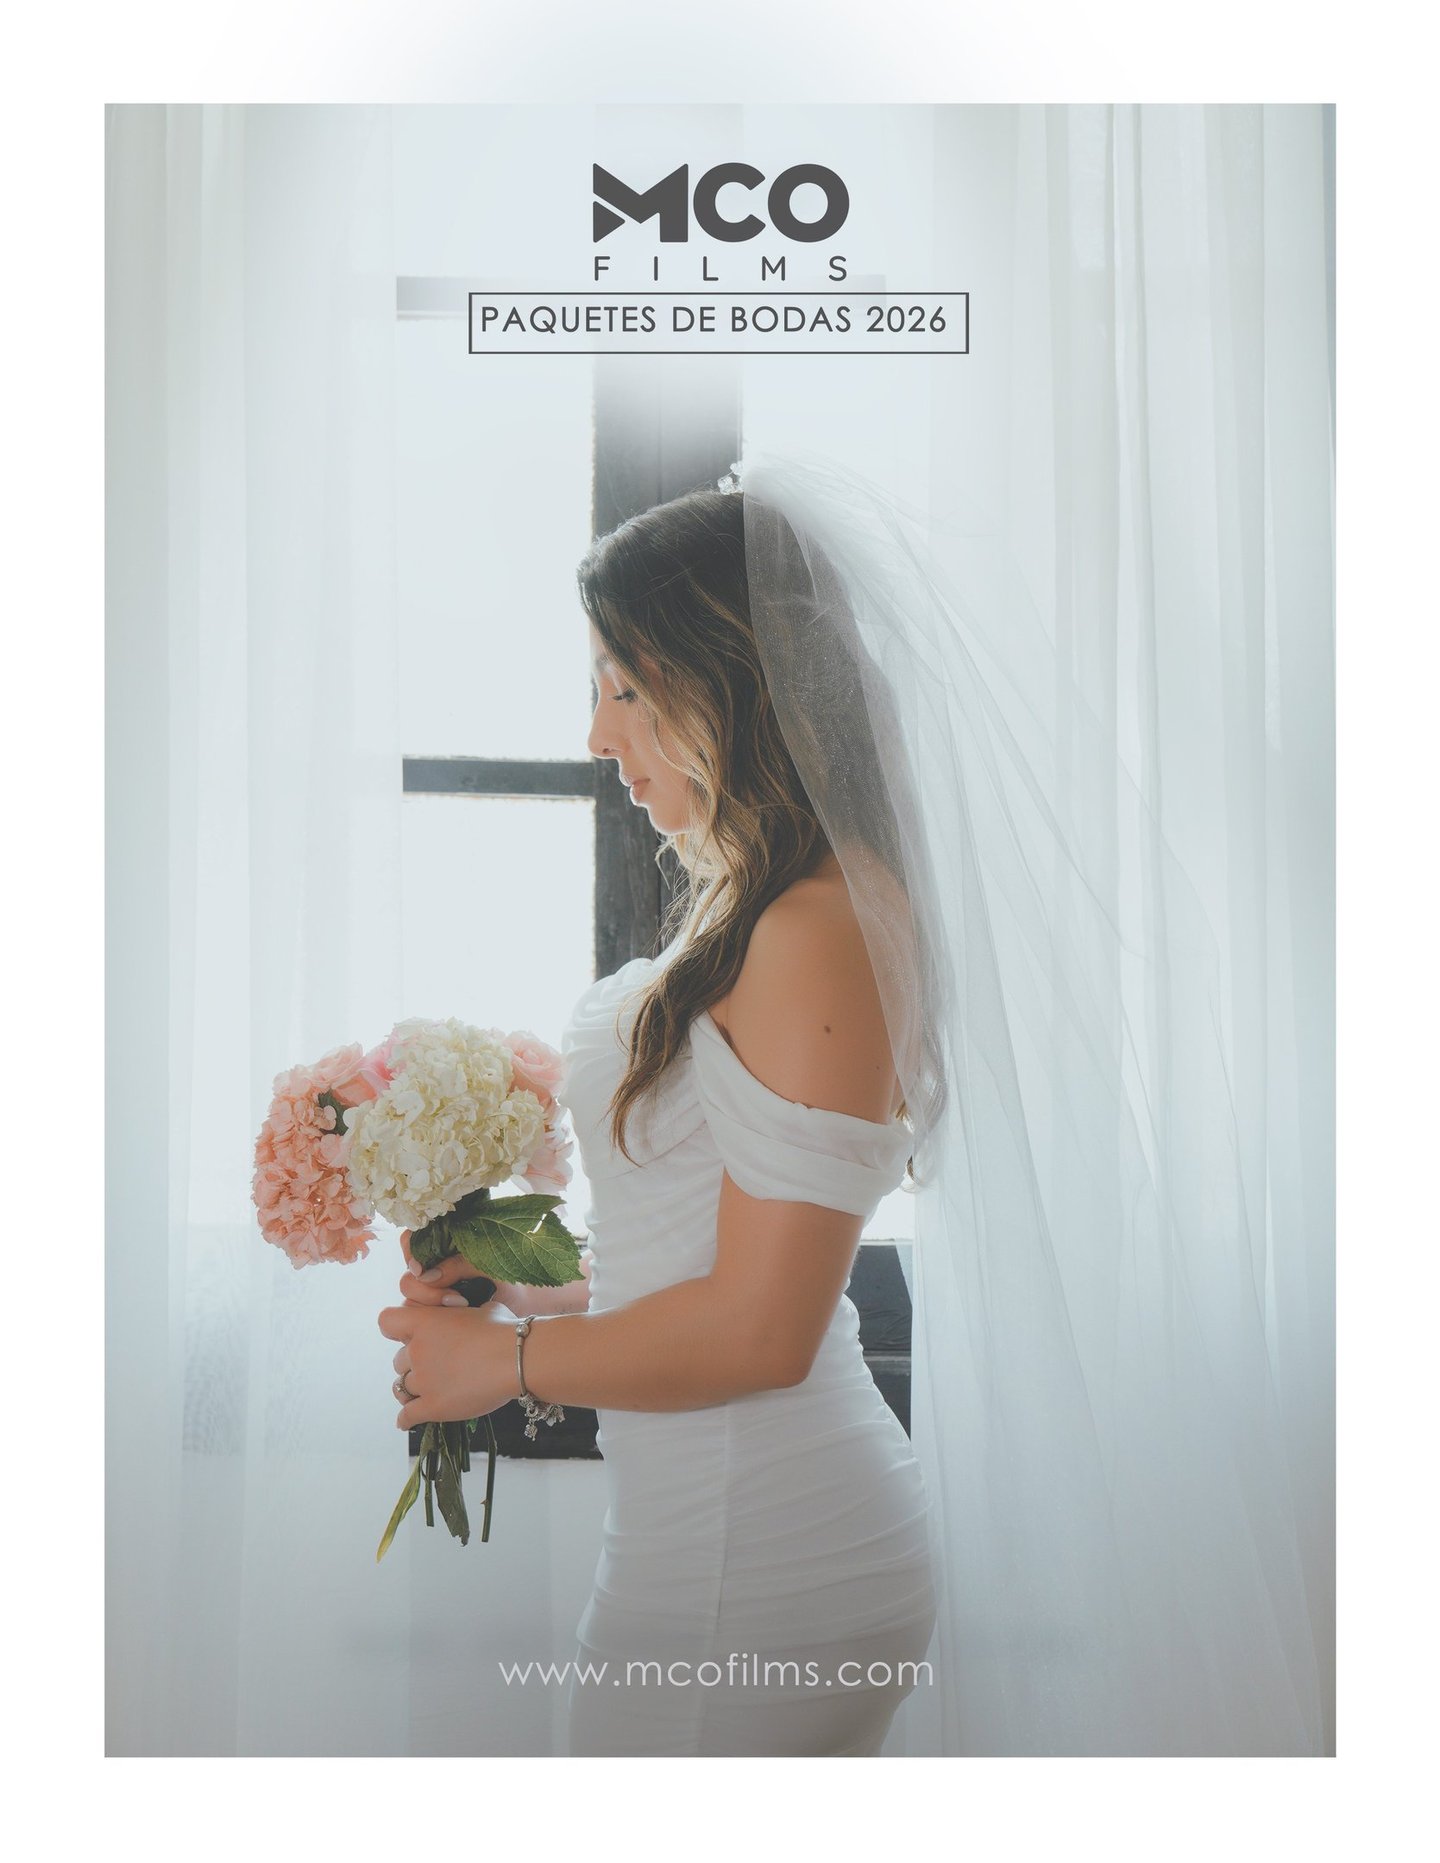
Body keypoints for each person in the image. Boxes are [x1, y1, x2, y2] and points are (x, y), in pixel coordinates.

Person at [377, 481, 938, 1758]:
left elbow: (764, 1329)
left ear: (728, 678)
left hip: (758, 1560)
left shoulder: (817, 925)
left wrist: (505, 1367)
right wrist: (539, 1286)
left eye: (625, 687)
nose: (595, 733)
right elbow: (713, 1254)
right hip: (732, 1538)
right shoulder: (777, 907)